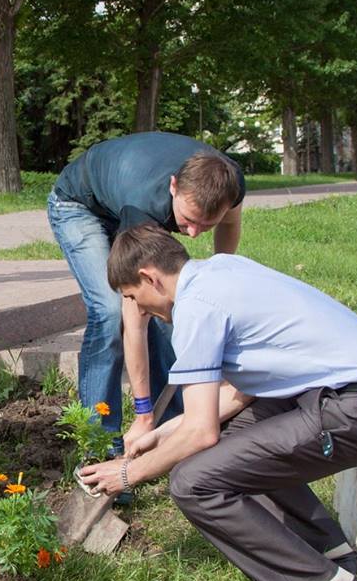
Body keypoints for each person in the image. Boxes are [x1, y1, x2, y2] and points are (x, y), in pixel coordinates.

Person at [80, 224, 357, 581]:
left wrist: (129, 474)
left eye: (134, 297)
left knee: (192, 482)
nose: (139, 309)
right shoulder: (222, 271)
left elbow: (202, 434)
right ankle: (331, 552)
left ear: (150, 277)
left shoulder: (196, 308)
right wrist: (163, 433)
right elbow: (238, 395)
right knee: (231, 439)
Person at [48, 132, 244, 454]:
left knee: (172, 305)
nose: (194, 234)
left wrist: (218, 278)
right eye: (189, 221)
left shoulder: (229, 181)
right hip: (79, 205)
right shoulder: (145, 205)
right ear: (173, 187)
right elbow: (134, 316)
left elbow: (230, 226)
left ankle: (175, 428)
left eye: (205, 225)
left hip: (126, 199)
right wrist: (141, 412)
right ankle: (100, 442)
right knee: (111, 312)